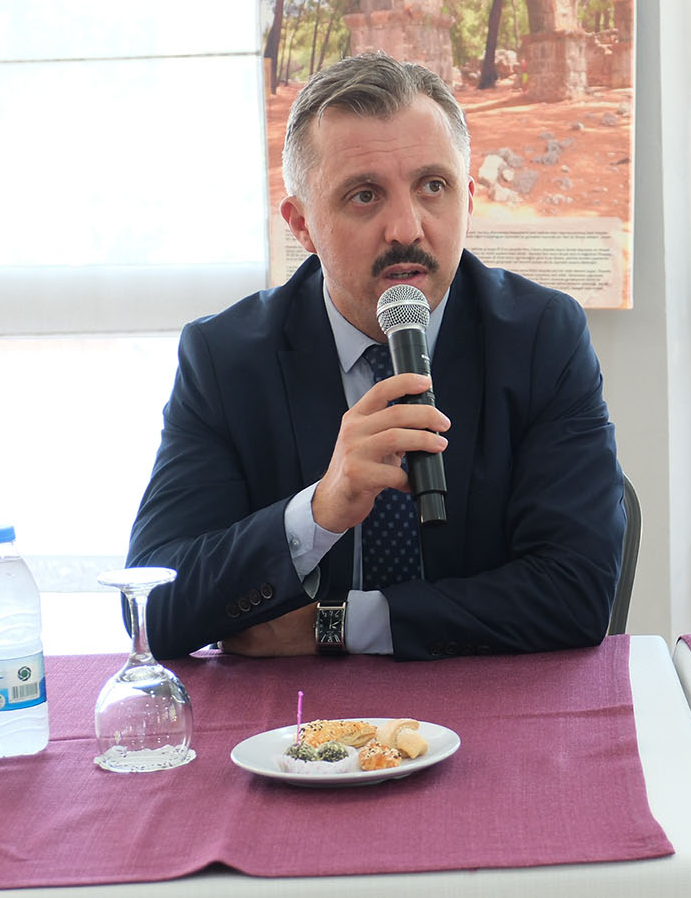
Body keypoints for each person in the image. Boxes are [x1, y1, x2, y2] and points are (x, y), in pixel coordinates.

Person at [129, 51, 625, 660]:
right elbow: (152, 606)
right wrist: (316, 513)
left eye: (433, 187)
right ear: (302, 225)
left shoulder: (541, 336)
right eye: (365, 196)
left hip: (484, 698)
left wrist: (337, 626)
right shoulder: (225, 358)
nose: (406, 228)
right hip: (300, 715)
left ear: (468, 199)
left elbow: (576, 594)